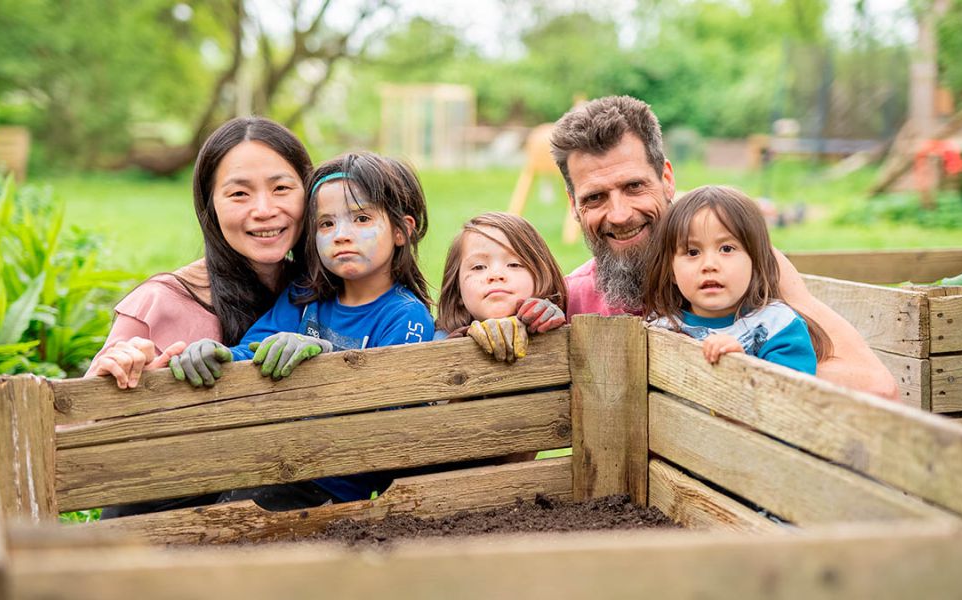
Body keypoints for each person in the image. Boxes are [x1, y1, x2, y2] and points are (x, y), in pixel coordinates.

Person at [549, 95, 898, 400]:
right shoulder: (572, 298)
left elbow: (875, 387)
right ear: (573, 205)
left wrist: (739, 368)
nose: (620, 213)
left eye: (634, 186)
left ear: (667, 179)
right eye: (595, 197)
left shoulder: (744, 269)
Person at [169, 151, 435, 505]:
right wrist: (214, 354)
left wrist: (326, 360)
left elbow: (387, 414)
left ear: (403, 231)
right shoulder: (305, 298)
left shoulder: (405, 316)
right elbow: (250, 351)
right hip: (273, 464)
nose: (341, 235)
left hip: (331, 487)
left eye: (361, 218)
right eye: (326, 224)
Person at [87, 116, 313, 390]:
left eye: (281, 189)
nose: (264, 210)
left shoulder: (332, 292)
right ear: (210, 206)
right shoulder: (157, 304)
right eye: (239, 193)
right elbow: (80, 422)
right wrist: (118, 375)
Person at [643, 186, 828, 374]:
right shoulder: (660, 327)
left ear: (755, 261)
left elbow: (791, 395)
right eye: (692, 252)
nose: (709, 265)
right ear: (672, 271)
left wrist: (741, 365)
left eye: (727, 249)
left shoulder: (778, 326)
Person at [435, 212, 568, 362]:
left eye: (514, 264)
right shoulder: (440, 341)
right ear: (457, 291)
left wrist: (550, 324)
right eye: (478, 267)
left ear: (542, 278)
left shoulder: (557, 322)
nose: (496, 274)